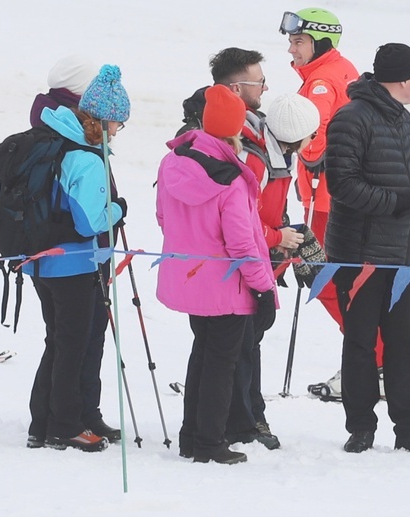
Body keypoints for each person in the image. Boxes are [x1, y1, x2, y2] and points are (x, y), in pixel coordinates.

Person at [324, 43, 410, 455]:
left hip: (401, 253)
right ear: (404, 79)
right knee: (359, 343)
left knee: (402, 343)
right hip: (360, 254)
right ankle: (361, 427)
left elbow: (406, 174)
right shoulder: (351, 117)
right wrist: (398, 204)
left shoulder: (403, 120)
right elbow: (343, 185)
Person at [156, 84, 277, 465]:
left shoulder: (174, 162)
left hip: (190, 278)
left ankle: (191, 436)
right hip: (228, 286)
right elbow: (243, 245)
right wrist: (263, 288)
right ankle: (209, 441)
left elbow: (162, 217)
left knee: (202, 356)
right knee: (221, 365)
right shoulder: (232, 179)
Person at [25, 64, 129, 452]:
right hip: (74, 264)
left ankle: (44, 421)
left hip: (46, 262)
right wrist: (119, 208)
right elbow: (90, 222)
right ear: (101, 121)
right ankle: (64, 425)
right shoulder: (85, 159)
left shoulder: (61, 142)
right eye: (118, 123)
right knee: (72, 344)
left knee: (60, 342)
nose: (118, 131)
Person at [208, 47, 292, 450]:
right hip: (240, 262)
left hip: (260, 255)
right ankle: (242, 421)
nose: (265, 89)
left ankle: (240, 416)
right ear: (237, 87)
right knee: (237, 345)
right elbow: (238, 216)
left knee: (247, 341)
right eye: (260, 82)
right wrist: (278, 238)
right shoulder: (232, 139)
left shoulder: (254, 128)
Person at [279, 8, 360, 335]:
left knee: (322, 276)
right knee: (348, 278)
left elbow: (315, 129)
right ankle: (375, 358)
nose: (291, 49)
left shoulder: (322, 80)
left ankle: (371, 359)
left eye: (298, 41)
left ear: (322, 42)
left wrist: (304, 154)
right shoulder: (342, 68)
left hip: (325, 195)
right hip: (342, 194)